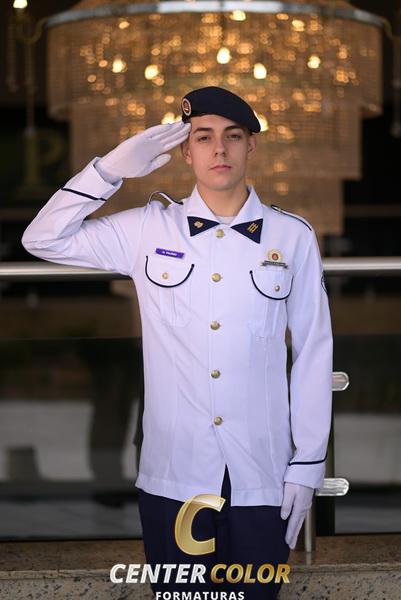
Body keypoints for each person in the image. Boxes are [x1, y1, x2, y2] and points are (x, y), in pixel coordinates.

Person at [21, 85, 333, 599]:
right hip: (175, 475)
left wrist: (308, 462)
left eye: (233, 136)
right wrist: (109, 171)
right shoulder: (149, 228)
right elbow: (41, 238)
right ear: (185, 151)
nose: (219, 149)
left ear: (252, 146)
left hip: (263, 473)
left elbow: (313, 351)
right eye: (203, 137)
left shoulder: (291, 235)